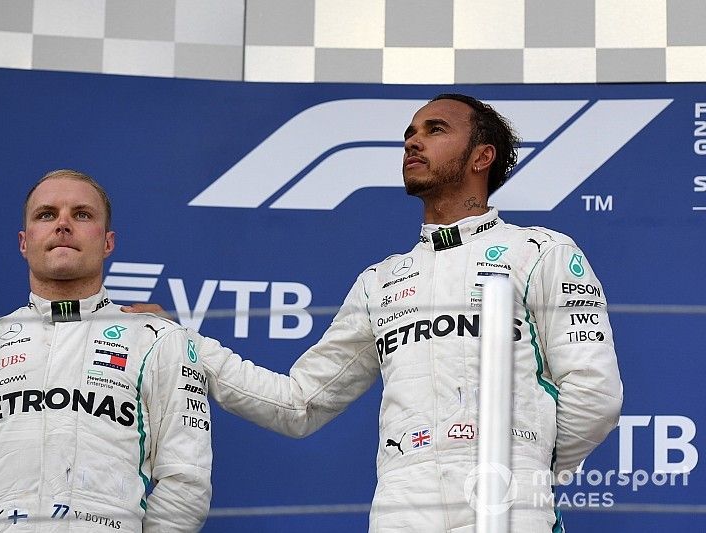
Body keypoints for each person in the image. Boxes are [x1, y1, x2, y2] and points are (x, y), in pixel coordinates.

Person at [127, 94, 623, 532]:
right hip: (401, 503)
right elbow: (299, 403)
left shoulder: (540, 252)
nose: (412, 143)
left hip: (509, 499)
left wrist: (524, 464)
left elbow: (594, 394)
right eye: (409, 134)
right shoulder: (381, 282)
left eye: (435, 130)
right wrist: (183, 344)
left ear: (482, 157)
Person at [0, 170, 212, 532]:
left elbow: (187, 478)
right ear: (24, 242)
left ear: (108, 242)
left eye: (82, 214)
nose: (62, 225)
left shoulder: (157, 339)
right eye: (46, 214)